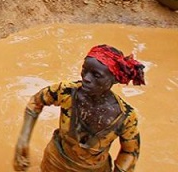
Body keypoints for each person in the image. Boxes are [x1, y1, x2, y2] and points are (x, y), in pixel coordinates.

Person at [13, 44, 145, 172]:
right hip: (55, 162)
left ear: (114, 79)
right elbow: (36, 102)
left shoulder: (125, 117)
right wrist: (23, 139)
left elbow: (129, 151)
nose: (86, 78)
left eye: (96, 75)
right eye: (84, 70)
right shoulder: (67, 92)